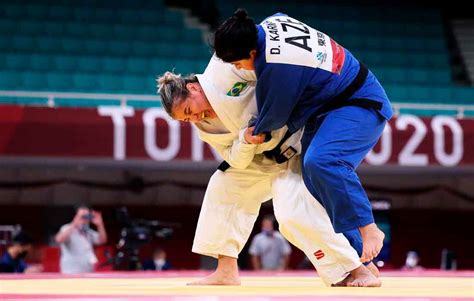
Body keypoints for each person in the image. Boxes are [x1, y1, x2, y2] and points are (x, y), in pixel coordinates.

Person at [156, 55, 381, 287]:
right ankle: (226, 271)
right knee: (222, 185)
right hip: (258, 158)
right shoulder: (204, 127)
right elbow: (233, 158)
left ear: (193, 87)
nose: (195, 118)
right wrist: (244, 141)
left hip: (293, 148)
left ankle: (356, 268)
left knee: (291, 214)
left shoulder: (224, 71)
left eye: (190, 109)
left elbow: (272, 72)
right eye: (186, 119)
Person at [213, 9, 393, 264]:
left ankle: (369, 228)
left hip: (359, 103)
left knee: (322, 162)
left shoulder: (276, 65)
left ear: (252, 52)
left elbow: (271, 121)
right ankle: (360, 260)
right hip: (327, 108)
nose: (239, 69)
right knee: (313, 181)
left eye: (238, 64)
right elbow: (282, 15)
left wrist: (245, 135)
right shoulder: (270, 23)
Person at [55, 204, 107, 274]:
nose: (85, 219)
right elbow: (59, 239)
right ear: (75, 216)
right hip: (70, 272)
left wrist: (100, 225)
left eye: (87, 216)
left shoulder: (88, 231)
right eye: (82, 216)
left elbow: (102, 240)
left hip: (87, 271)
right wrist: (74, 224)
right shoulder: (67, 228)